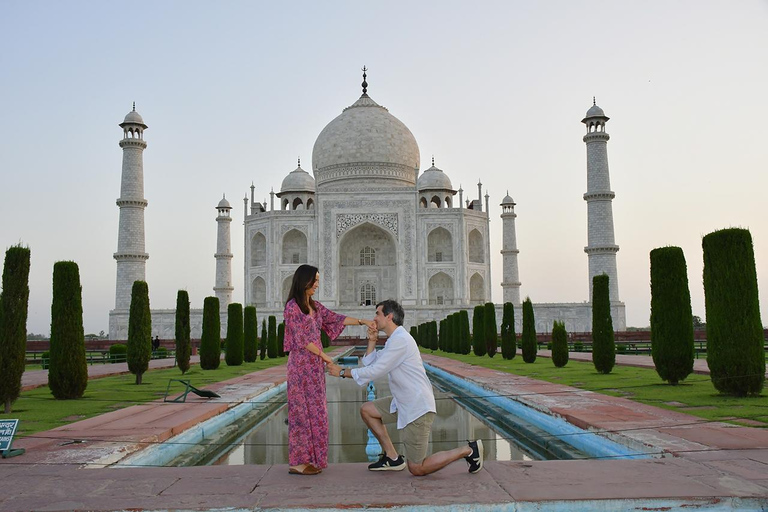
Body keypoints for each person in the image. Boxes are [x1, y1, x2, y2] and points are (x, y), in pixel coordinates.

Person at [328, 299, 483, 476]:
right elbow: (370, 362)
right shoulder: (394, 340)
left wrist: (342, 372)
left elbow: (376, 370)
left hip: (418, 407)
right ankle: (393, 457)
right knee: (367, 410)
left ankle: (468, 450)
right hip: (403, 402)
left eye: (377, 314)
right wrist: (372, 340)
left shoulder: (401, 340)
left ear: (389, 316)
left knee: (417, 468)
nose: (374, 318)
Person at [283, 264, 375, 475]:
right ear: (303, 281)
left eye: (317, 280)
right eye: (314, 280)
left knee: (317, 413)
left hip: (314, 367)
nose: (317, 283)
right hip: (300, 367)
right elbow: (303, 340)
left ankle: (312, 459)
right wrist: (327, 358)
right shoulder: (292, 307)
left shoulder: (314, 307)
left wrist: (363, 321)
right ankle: (297, 462)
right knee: (300, 413)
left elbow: (336, 318)